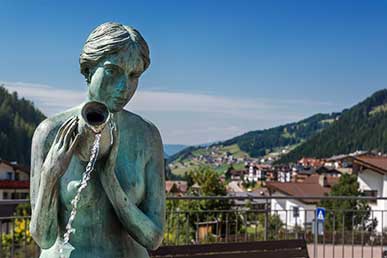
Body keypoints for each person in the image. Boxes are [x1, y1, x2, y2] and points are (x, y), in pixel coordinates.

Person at [30, 22, 165, 258]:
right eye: (113, 71)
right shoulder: (50, 133)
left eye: (134, 75)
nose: (125, 87)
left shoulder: (146, 136)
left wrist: (109, 178)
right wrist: (50, 175)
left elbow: (153, 238)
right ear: (88, 71)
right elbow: (44, 237)